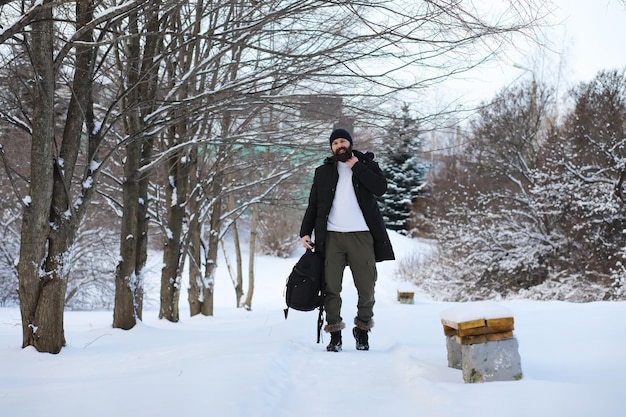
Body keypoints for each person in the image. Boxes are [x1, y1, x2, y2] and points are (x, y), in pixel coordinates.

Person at [300, 128, 395, 352]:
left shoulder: (366, 166)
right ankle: (335, 334)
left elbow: (381, 188)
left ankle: (362, 330)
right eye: (335, 143)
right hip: (331, 238)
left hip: (361, 236)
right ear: (331, 147)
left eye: (343, 141)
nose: (339, 145)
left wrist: (357, 167)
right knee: (331, 287)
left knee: (366, 287)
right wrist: (306, 232)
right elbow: (313, 204)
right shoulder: (323, 172)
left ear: (350, 143)